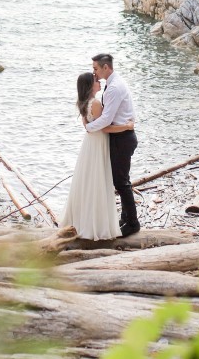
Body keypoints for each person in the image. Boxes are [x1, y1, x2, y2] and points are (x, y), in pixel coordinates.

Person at [60, 71, 134, 240]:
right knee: (98, 180)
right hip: (98, 142)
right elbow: (105, 127)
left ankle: (82, 218)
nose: (99, 81)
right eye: (95, 80)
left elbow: (90, 125)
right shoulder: (95, 104)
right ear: (90, 85)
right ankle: (96, 223)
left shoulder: (83, 103)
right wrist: (127, 126)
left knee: (88, 179)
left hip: (90, 144)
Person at [85, 53, 140, 236]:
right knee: (121, 179)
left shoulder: (114, 87)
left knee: (121, 182)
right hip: (121, 136)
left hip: (123, 138)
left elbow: (107, 118)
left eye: (95, 68)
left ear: (105, 67)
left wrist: (89, 127)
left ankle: (132, 223)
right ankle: (125, 218)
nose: (94, 72)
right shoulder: (113, 83)